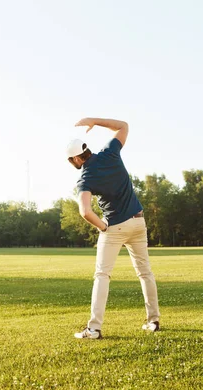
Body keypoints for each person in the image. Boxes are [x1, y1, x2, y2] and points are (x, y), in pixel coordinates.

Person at [66, 117, 160, 339]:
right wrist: (94, 121)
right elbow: (124, 126)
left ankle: (94, 328)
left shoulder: (85, 178)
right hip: (139, 222)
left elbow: (85, 211)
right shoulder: (110, 152)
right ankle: (153, 320)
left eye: (72, 161)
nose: (73, 165)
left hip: (115, 226)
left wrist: (102, 227)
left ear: (78, 157)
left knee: (102, 275)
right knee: (145, 272)